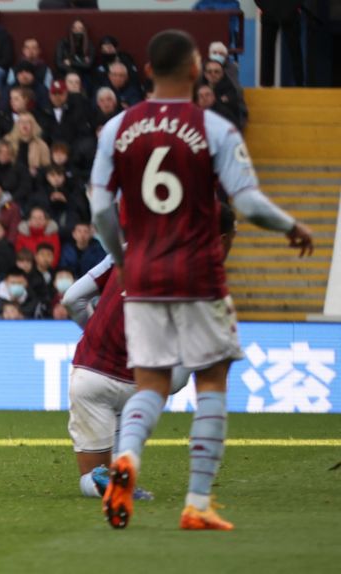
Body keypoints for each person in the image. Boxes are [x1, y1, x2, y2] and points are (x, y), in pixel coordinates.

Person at [90, 29, 313, 531]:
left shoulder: (116, 128)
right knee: (210, 381)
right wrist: (290, 224)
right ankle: (196, 501)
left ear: (146, 71)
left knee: (149, 384)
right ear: (195, 71)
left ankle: (124, 462)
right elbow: (248, 203)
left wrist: (120, 257)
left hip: (143, 274)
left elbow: (101, 208)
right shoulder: (214, 128)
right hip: (198, 272)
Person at [63, 203, 237, 502]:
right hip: (139, 385)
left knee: (90, 477)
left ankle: (103, 481)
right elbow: (180, 378)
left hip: (90, 374)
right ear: (221, 239)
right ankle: (119, 477)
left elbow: (72, 299)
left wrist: (96, 332)